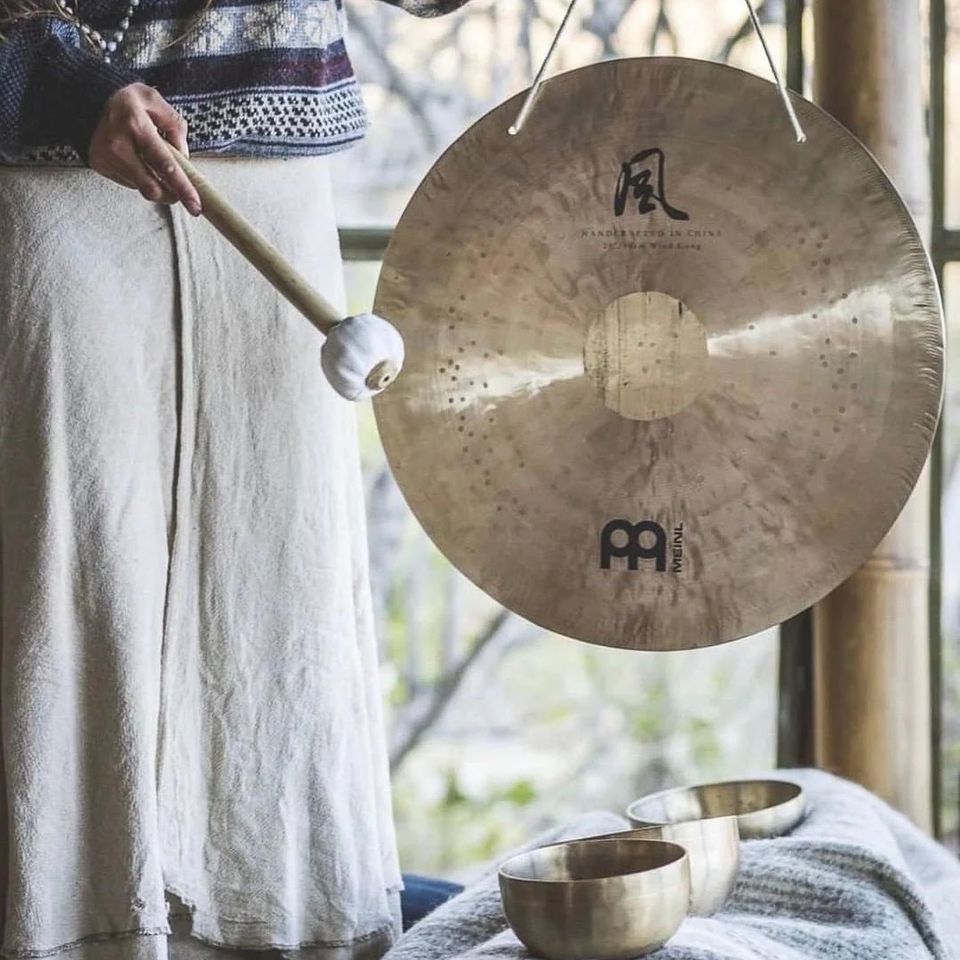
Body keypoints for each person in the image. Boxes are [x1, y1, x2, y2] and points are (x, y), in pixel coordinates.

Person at [0, 0, 462, 957]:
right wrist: (63, 82)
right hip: (55, 155)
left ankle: (281, 933)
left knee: (276, 594)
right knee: (70, 578)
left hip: (277, 158)